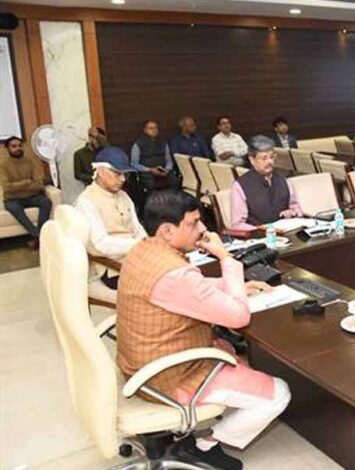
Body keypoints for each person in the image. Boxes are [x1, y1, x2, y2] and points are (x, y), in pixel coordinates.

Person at [116, 190, 291, 470]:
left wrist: (231, 286)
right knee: (279, 393)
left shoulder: (142, 251)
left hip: (137, 365)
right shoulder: (175, 273)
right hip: (168, 377)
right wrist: (225, 257)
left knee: (229, 349)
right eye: (193, 223)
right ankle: (204, 445)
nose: (202, 229)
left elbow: (181, 291)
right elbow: (238, 316)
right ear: (167, 230)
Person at [74, 147, 147, 289]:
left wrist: (147, 244)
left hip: (137, 257)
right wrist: (139, 245)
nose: (123, 179)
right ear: (100, 171)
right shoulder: (87, 200)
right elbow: (101, 244)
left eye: (124, 174)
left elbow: (137, 228)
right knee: (163, 282)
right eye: (118, 173)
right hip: (113, 267)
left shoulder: (124, 195)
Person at [230, 135, 303, 229]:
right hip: (259, 235)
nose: (269, 162)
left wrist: (292, 212)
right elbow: (237, 225)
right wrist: (262, 230)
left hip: (286, 232)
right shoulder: (240, 186)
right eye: (264, 158)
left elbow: (296, 209)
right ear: (252, 160)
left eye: (272, 157)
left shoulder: (283, 180)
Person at [0, 136, 51, 248]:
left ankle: (38, 237)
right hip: (12, 199)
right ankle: (38, 235)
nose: (17, 148)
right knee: (14, 207)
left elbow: (39, 184)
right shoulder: (3, 165)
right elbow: (7, 188)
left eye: (19, 145)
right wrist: (27, 182)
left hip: (31, 196)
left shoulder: (30, 161)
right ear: (8, 148)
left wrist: (18, 185)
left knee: (46, 202)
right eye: (14, 146)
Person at [130, 120, 178, 191]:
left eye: (155, 128)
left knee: (174, 180)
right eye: (151, 128)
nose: (154, 130)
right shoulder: (138, 144)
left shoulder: (163, 143)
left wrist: (167, 169)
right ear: (145, 130)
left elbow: (169, 160)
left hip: (163, 170)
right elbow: (134, 164)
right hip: (147, 172)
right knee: (149, 182)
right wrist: (150, 169)